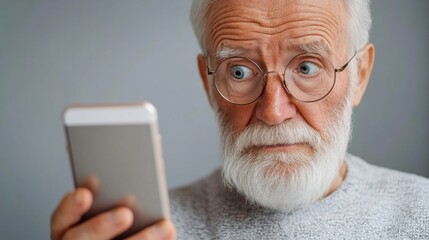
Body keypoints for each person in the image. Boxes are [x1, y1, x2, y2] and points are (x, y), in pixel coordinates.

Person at [51, 0, 429, 239]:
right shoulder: (148, 230)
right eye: (239, 72)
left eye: (308, 66)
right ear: (207, 82)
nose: (274, 111)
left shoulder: (421, 212)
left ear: (359, 75)